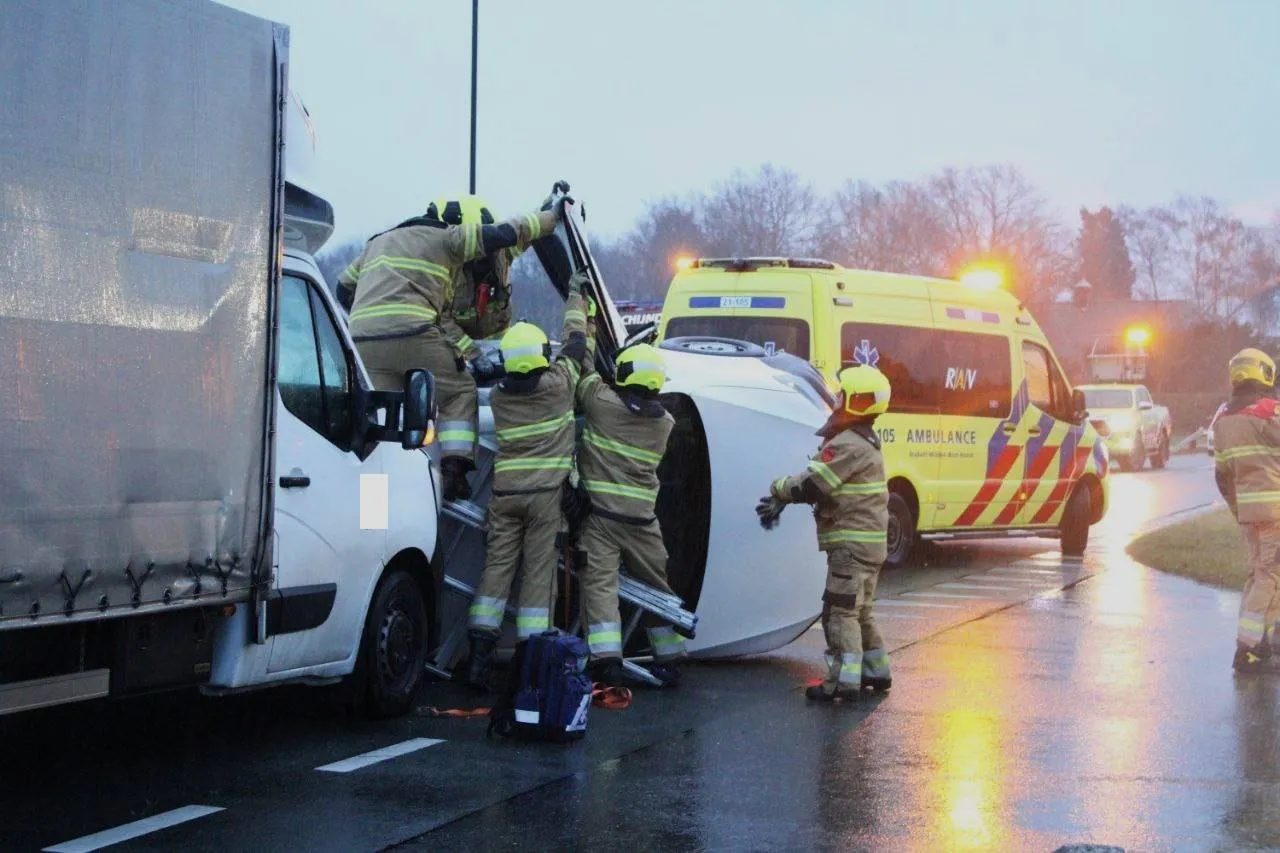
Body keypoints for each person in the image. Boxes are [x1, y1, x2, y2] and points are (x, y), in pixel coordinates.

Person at [337, 195, 558, 502]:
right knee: (457, 391)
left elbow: (342, 288)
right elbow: (508, 232)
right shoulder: (448, 238)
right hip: (414, 332)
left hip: (363, 340)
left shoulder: (377, 242)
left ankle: (372, 514)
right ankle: (452, 475)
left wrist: (371, 319)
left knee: (380, 421)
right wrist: (553, 216)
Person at [464, 271, 593, 689]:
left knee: (496, 573)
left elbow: (501, 373)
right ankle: (530, 666)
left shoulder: (501, 397)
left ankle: (478, 659)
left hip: (506, 496)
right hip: (545, 499)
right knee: (538, 577)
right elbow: (576, 343)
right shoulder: (559, 385)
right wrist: (576, 297)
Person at [757, 364, 892, 701]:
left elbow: (814, 484)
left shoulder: (848, 444)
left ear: (857, 401)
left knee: (839, 611)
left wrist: (778, 489)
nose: (837, 399)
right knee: (861, 611)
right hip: (869, 545)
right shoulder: (867, 442)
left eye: (842, 394)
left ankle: (841, 682)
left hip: (849, 545)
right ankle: (876, 671)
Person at [575, 340, 687, 687]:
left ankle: (606, 659)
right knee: (657, 587)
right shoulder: (664, 422)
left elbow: (585, 374)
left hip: (601, 519)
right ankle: (670, 658)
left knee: (600, 586)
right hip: (642, 522)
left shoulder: (601, 404)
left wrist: (589, 327)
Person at [1213, 347, 1280, 674]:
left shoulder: (1224, 421)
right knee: (1269, 578)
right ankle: (1249, 649)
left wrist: (1239, 511)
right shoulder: (1270, 412)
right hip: (1274, 514)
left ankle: (1260, 642)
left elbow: (1222, 475)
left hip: (1249, 516)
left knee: (1258, 575)